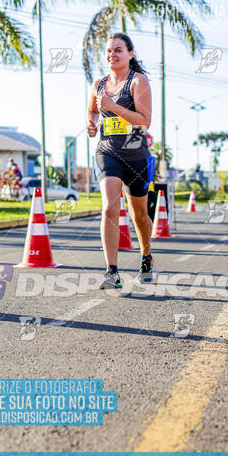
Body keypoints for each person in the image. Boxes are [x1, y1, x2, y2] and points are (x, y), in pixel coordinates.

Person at [87, 32, 155, 289]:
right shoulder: (98, 84)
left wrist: (114, 107)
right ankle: (111, 272)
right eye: (108, 51)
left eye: (118, 50)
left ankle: (146, 257)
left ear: (129, 54)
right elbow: (92, 111)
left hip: (136, 154)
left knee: (139, 214)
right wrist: (91, 125)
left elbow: (144, 121)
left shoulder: (139, 82)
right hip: (108, 151)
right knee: (109, 207)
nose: (112, 55)